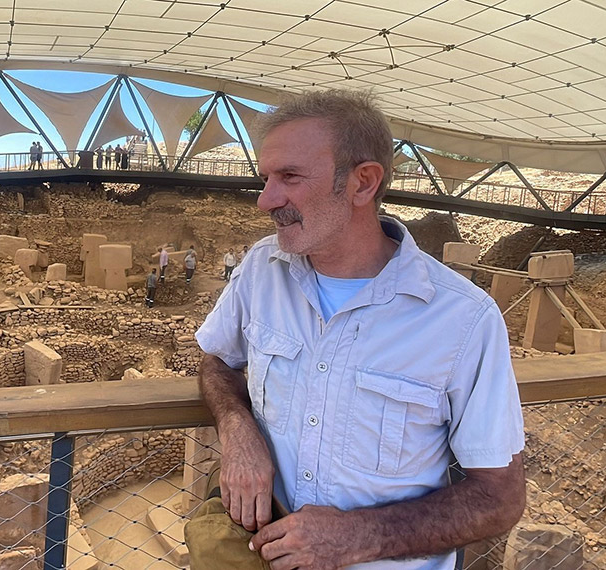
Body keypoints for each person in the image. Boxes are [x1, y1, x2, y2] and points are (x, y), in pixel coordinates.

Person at [195, 89, 524, 570]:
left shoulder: (463, 318)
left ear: (363, 183)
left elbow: (499, 498)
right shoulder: (262, 269)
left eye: (289, 177)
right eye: (266, 178)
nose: (266, 200)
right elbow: (216, 360)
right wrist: (237, 428)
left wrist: (355, 536)